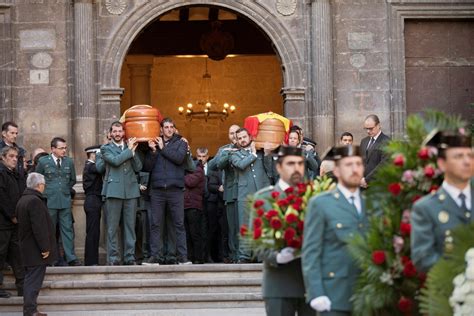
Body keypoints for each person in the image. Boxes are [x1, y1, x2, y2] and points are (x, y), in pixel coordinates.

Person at [302, 145, 368, 315]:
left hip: (368, 298)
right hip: (333, 297)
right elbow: (311, 252)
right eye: (348, 165)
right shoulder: (321, 203)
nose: (355, 169)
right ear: (337, 171)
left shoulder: (372, 204)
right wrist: (316, 293)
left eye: (358, 164)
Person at [254, 145, 313, 316]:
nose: (296, 168)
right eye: (291, 163)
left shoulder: (314, 197)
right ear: (279, 167)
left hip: (309, 284)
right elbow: (258, 242)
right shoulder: (264, 199)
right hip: (279, 283)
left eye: (300, 164)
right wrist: (278, 256)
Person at [411, 131, 473, 272]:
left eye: (470, 155)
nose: (467, 161)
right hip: (450, 290)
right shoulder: (426, 208)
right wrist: (465, 274)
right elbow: (423, 258)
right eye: (459, 156)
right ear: (442, 164)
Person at [143, 118, 191, 265]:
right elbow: (147, 167)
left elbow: (178, 158)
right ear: (161, 129)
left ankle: (182, 257)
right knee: (156, 224)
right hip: (157, 190)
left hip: (175, 189)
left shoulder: (181, 143)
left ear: (174, 129)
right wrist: (152, 152)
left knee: (179, 224)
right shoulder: (154, 144)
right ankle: (154, 257)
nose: (169, 129)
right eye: (166, 127)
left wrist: (163, 148)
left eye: (171, 127)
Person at [101, 121, 142, 265]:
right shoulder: (106, 148)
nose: (117, 134)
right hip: (113, 191)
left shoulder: (129, 147)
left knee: (130, 227)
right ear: (111, 133)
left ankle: (129, 257)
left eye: (120, 131)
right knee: (112, 228)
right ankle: (113, 258)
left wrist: (133, 152)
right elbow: (116, 161)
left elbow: (138, 167)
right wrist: (129, 151)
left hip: (130, 191)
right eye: (115, 131)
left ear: (124, 133)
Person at [36, 137, 81, 266]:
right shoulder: (43, 161)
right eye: (61, 148)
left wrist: (65, 190)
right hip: (49, 201)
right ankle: (50, 258)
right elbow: (38, 178)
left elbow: (72, 180)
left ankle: (70, 257)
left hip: (65, 201)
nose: (64, 150)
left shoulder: (69, 162)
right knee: (49, 230)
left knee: (67, 230)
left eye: (65, 148)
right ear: (53, 149)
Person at [16, 172, 57, 316]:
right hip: (35, 250)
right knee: (33, 282)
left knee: (30, 280)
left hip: (28, 248)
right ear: (39, 185)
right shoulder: (34, 201)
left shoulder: (23, 200)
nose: (44, 187)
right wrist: (45, 248)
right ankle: (30, 310)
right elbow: (39, 228)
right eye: (44, 184)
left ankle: (31, 309)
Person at [231, 127, 273, 263]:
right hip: (245, 194)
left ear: (250, 137)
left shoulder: (260, 153)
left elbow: (270, 171)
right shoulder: (235, 154)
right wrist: (253, 154)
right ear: (237, 141)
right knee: (245, 225)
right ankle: (244, 256)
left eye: (244, 137)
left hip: (262, 192)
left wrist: (266, 154)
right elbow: (241, 165)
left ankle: (261, 255)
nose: (242, 140)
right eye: (239, 138)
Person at [208, 124, 240, 263]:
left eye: (236, 133)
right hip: (230, 192)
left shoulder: (248, 148)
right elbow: (211, 166)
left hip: (245, 191)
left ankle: (245, 254)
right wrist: (223, 153)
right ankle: (234, 255)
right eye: (231, 133)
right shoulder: (223, 149)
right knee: (231, 229)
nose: (233, 136)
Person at [0, 146, 25, 298]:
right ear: (3, 157)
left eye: (16, 156)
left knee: (18, 254)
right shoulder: (1, 173)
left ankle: (22, 286)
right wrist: (11, 215)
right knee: (1, 253)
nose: (15, 159)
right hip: (3, 223)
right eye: (11, 156)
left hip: (17, 221)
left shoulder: (17, 174)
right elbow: (1, 197)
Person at [82, 145, 105, 266]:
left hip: (94, 200)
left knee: (94, 232)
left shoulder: (90, 166)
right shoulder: (90, 166)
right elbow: (100, 169)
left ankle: (92, 261)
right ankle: (91, 261)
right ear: (94, 155)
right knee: (92, 232)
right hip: (92, 201)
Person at [183, 157, 205, 263]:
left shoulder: (198, 169)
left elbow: (191, 182)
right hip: (185, 206)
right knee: (187, 234)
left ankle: (199, 258)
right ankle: (190, 257)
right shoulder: (187, 170)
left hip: (194, 206)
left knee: (195, 234)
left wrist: (179, 175)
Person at [359, 114, 390, 188]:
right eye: (366, 128)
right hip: (361, 185)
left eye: (370, 128)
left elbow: (384, 164)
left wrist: (367, 180)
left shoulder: (386, 141)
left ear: (378, 125)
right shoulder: (364, 141)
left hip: (377, 185)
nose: (368, 131)